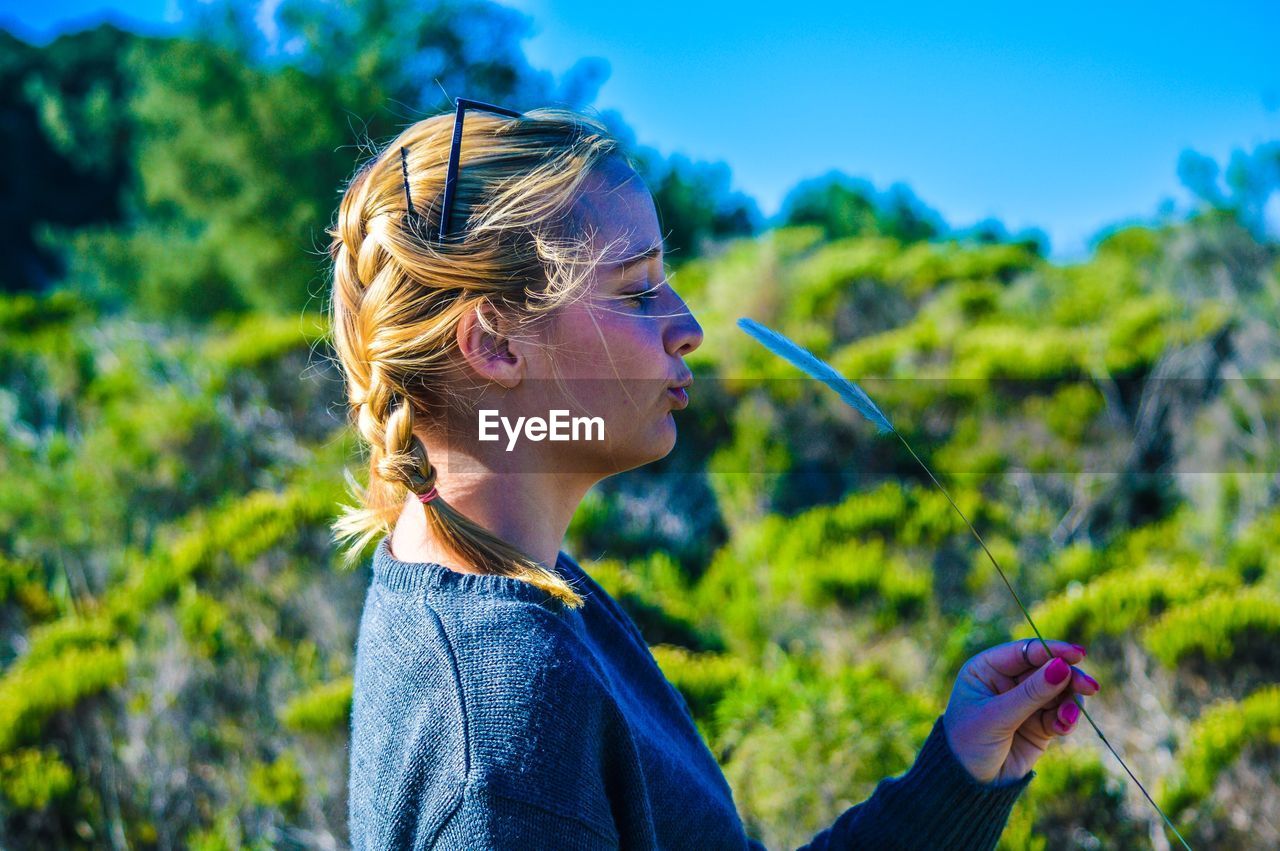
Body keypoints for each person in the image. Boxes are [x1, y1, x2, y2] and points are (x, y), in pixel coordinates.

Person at [329, 102, 1100, 849]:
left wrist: (958, 775)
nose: (689, 326)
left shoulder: (525, 598)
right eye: (636, 289)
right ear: (494, 343)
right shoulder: (507, 729)